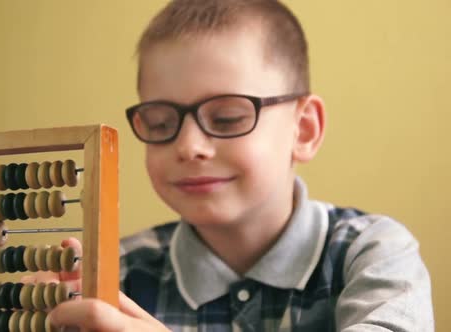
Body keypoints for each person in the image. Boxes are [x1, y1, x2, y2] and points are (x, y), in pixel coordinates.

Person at [42, 0, 434, 330]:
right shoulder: (116, 279)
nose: (189, 146)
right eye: (161, 122)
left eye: (227, 117)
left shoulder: (373, 255)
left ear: (304, 130)